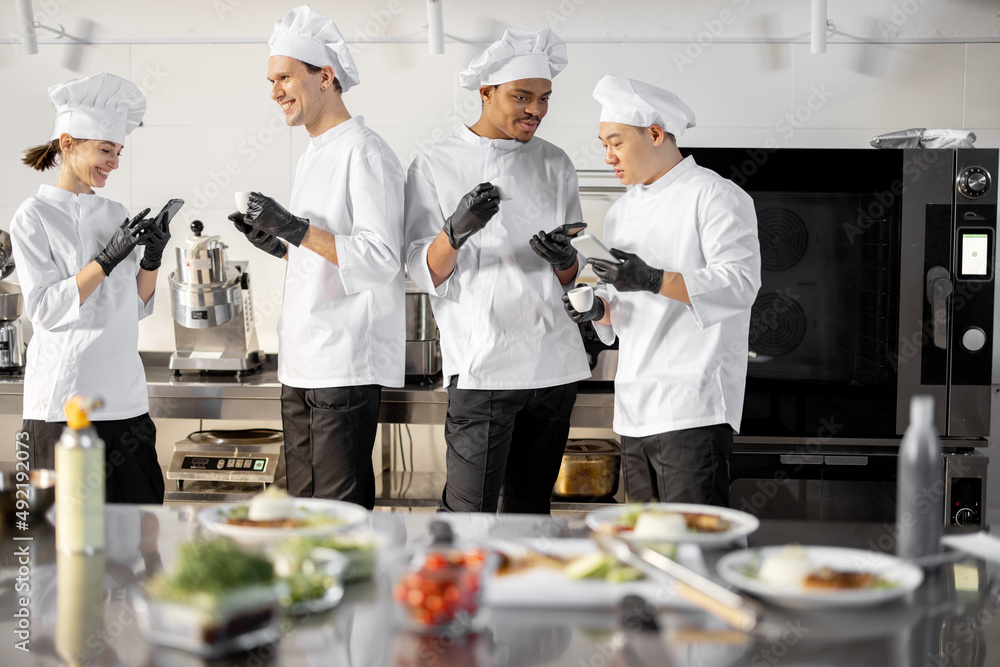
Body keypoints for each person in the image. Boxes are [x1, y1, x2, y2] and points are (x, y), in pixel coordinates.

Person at [404, 28, 590, 514]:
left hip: (554, 365)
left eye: (544, 99)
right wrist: (456, 230)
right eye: (521, 97)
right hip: (484, 365)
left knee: (530, 515)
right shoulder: (435, 164)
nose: (535, 110)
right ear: (486, 92)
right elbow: (424, 273)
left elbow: (574, 280)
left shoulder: (556, 163)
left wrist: (566, 261)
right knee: (469, 518)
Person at [229, 5, 405, 510]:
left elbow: (380, 259)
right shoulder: (314, 152)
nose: (275, 91)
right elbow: (326, 257)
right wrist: (280, 244)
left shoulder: (365, 152)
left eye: (284, 77)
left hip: (345, 364)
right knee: (300, 512)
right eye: (271, 80)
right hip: (302, 362)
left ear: (325, 76)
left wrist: (297, 228)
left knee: (338, 518)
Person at [564, 75, 761, 507]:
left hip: (693, 405)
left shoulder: (715, 196)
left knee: (693, 548)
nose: (608, 156)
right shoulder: (620, 212)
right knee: (647, 547)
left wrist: (653, 278)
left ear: (655, 133)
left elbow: (740, 285)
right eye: (603, 144)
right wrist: (595, 309)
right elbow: (627, 311)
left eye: (615, 142)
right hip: (635, 409)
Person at [11, 72, 168, 504]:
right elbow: (43, 309)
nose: (113, 162)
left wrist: (151, 259)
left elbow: (133, 306)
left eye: (117, 151)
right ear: (67, 143)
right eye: (104, 149)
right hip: (62, 403)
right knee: (59, 544)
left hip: (125, 403)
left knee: (139, 530)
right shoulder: (33, 216)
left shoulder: (114, 211)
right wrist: (105, 259)